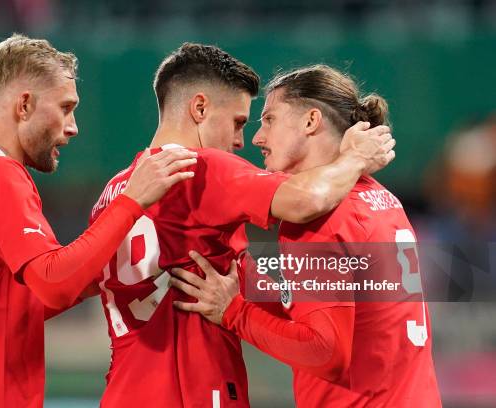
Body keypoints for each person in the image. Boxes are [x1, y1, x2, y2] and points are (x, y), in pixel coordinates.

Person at [0, 34, 196, 408]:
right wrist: (132, 200)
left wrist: (102, 271)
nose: (73, 127)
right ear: (25, 104)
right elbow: (54, 283)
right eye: (66, 108)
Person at [89, 45, 395, 407]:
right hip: (192, 391)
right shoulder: (200, 168)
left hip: (125, 389)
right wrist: (355, 158)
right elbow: (305, 201)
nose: (243, 140)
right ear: (199, 108)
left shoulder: (115, 190)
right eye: (238, 122)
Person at [171, 65, 442, 407]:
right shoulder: (383, 200)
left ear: (311, 121)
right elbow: (347, 307)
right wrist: (247, 285)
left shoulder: (320, 217)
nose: (257, 138)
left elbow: (324, 351)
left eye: (269, 119)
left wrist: (232, 311)